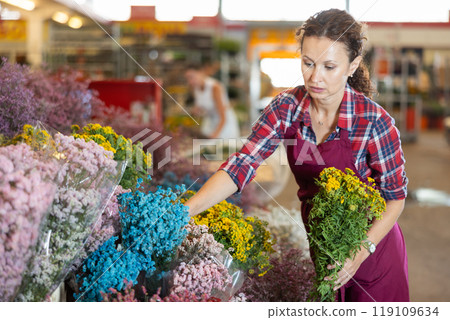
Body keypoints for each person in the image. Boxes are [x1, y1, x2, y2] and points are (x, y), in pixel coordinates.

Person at [184, 9, 409, 302]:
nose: (315, 77)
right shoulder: (286, 108)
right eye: (308, 63)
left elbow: (395, 197)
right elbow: (242, 164)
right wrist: (184, 212)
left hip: (375, 251)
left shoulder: (374, 122)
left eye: (329, 66)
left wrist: (360, 251)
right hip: (324, 244)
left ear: (352, 65)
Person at [184, 63, 240, 139]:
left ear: (201, 72)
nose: (190, 81)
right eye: (187, 79)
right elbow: (202, 106)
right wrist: (196, 110)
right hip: (210, 123)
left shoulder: (215, 87)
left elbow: (223, 117)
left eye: (191, 77)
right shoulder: (195, 88)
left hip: (224, 125)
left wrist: (215, 134)